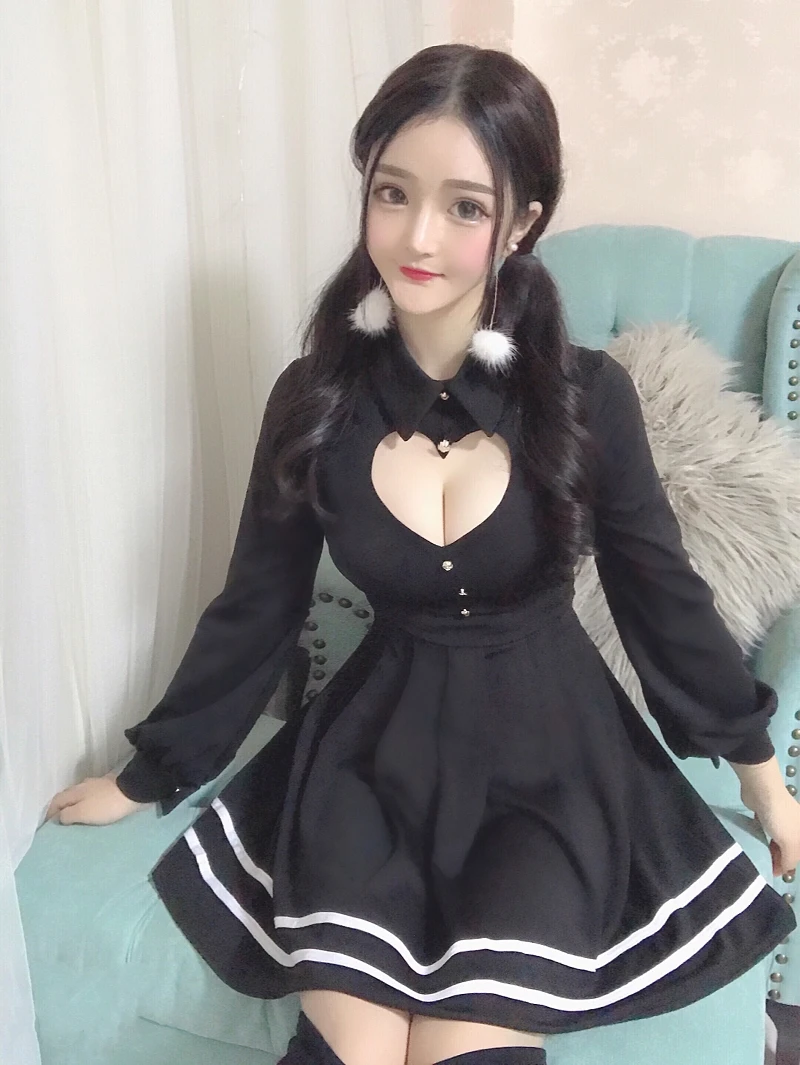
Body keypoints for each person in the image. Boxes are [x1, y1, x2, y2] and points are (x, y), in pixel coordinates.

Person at [46, 43, 800, 1065]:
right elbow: (256, 604)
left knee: (467, 1048)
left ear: (522, 222)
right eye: (392, 193)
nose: (416, 236)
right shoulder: (314, 400)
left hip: (551, 771)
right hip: (370, 765)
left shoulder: (587, 398)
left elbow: (659, 594)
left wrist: (761, 777)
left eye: (463, 206)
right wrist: (151, 773)